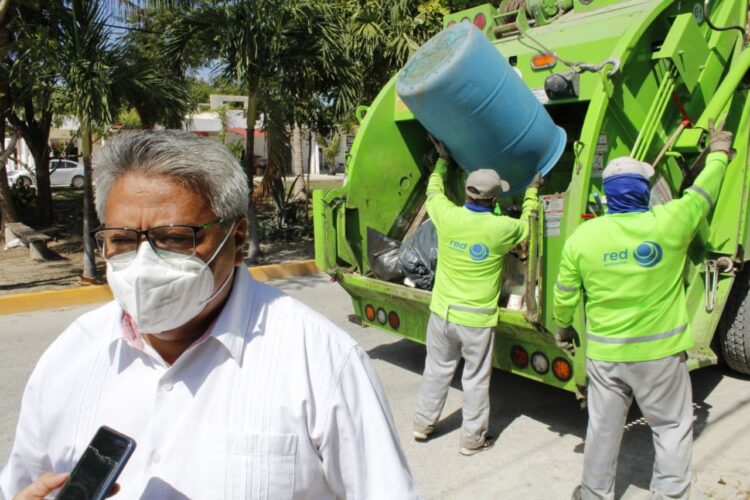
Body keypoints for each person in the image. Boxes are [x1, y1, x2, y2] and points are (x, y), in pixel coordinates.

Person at [1, 130, 419, 499]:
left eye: (174, 238)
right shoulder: (69, 358)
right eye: (122, 240)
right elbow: (21, 483)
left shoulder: (321, 362)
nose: (144, 263)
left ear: (236, 240)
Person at [553, 120, 734, 499]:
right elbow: (703, 192)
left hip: (606, 356)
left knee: (602, 430)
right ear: (644, 191)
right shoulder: (671, 221)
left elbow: (565, 293)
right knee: (671, 429)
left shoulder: (583, 237)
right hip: (660, 357)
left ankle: (594, 493)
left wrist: (563, 328)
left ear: (608, 196)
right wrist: (718, 153)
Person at [413, 139, 541, 456]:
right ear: (494, 199)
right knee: (475, 379)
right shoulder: (502, 228)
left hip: (442, 313)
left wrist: (443, 161)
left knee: (436, 370)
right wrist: (532, 192)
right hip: (476, 321)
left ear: (467, 192)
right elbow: (530, 225)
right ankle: (471, 440)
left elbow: (433, 192)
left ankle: (422, 424)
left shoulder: (447, 216)